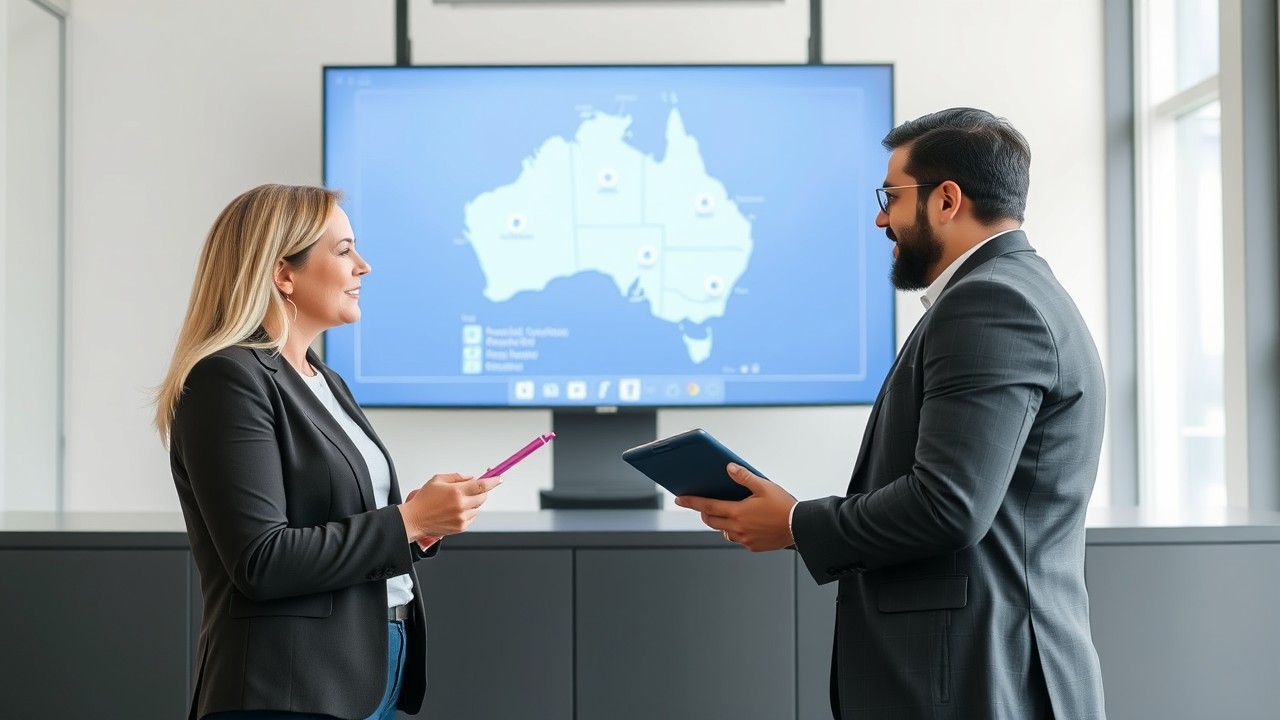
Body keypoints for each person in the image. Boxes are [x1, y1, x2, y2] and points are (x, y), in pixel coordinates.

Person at [676, 108, 1107, 719]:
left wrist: (798, 524)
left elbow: (948, 505)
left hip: (975, 678)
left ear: (947, 200)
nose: (881, 217)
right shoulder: (1014, 289)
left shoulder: (990, 302)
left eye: (892, 196)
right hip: (986, 669)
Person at [154, 184, 500, 720]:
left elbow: (333, 519)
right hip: (289, 688)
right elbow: (261, 560)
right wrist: (405, 522)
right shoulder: (227, 378)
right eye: (343, 251)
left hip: (368, 671)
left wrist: (420, 525)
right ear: (283, 274)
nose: (363, 266)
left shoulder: (324, 379)